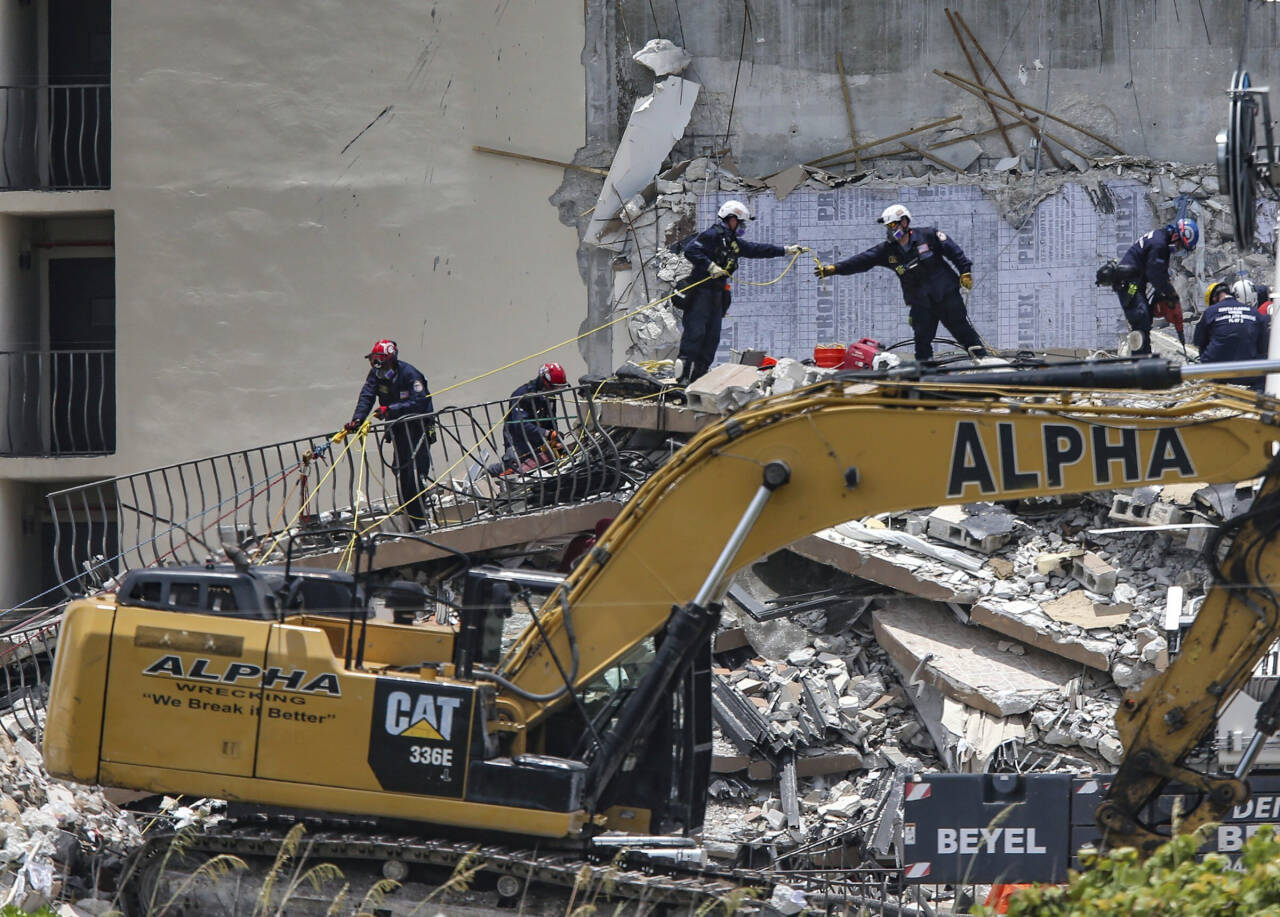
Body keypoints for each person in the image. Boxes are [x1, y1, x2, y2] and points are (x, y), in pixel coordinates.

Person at [814, 204, 987, 362]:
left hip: (946, 295)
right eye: (887, 227)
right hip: (921, 303)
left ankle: (984, 363)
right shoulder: (887, 251)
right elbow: (861, 261)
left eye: (892, 226)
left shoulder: (928, 235)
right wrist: (834, 269)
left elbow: (954, 251)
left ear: (904, 222)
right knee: (922, 341)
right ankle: (925, 377)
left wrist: (965, 271)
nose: (889, 231)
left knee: (963, 332)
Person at [676, 200, 802, 384]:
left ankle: (698, 380)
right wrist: (710, 266)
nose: (742, 226)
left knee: (711, 340)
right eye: (740, 222)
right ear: (730, 218)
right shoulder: (712, 235)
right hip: (701, 294)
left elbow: (757, 249)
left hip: (717, 296)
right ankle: (682, 380)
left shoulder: (732, 243)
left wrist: (785, 250)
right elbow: (691, 250)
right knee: (694, 335)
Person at [345, 339, 436, 525]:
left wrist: (390, 410)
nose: (377, 365)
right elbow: (367, 395)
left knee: (416, 470)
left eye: (380, 360)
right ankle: (410, 510)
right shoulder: (376, 375)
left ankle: (419, 517)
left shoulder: (410, 374)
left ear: (391, 359)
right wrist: (357, 419)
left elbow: (419, 403)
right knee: (400, 469)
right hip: (399, 430)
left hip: (419, 427)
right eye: (374, 360)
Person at [1110, 219, 1198, 356]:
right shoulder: (1159, 244)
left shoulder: (1161, 240)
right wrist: (1170, 293)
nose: (1179, 250)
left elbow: (1160, 272)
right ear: (1176, 236)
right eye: (1180, 245)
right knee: (1141, 316)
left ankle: (1144, 356)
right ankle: (1139, 362)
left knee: (1146, 319)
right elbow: (1154, 274)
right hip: (1130, 284)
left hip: (1136, 282)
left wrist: (1167, 294)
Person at [488, 362, 568, 475]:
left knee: (557, 463)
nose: (556, 391)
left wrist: (555, 439)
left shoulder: (549, 396)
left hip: (539, 442)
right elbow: (520, 426)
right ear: (545, 382)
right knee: (516, 470)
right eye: (555, 387)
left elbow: (551, 422)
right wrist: (548, 434)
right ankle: (489, 472)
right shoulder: (523, 395)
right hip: (519, 443)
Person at [1194, 281, 1271, 390]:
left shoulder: (1210, 312)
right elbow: (1263, 346)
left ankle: (1216, 383)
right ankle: (1255, 393)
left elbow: (1199, 341)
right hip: (1246, 372)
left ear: (1214, 299)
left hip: (1214, 370)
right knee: (1268, 369)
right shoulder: (1253, 312)